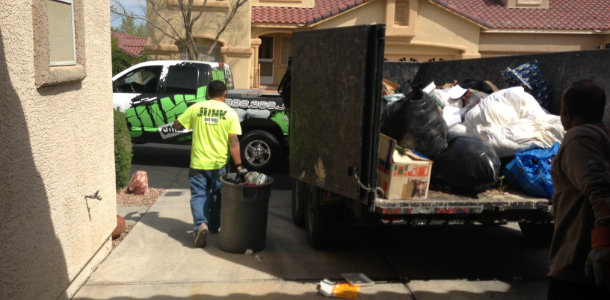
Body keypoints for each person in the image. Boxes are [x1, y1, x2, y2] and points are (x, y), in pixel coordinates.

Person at [548, 80, 610, 299]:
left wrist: (602, 245)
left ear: (568, 112)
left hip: (578, 264)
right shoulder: (601, 134)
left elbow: (600, 190)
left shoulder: (578, 138)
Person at [174, 80, 246, 248]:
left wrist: (177, 124)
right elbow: (233, 140)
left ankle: (201, 225)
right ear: (225, 94)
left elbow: (178, 124)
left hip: (199, 162)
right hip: (219, 164)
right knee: (218, 194)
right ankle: (214, 226)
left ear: (208, 93)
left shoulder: (196, 108)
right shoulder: (230, 113)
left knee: (199, 194)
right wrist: (240, 166)